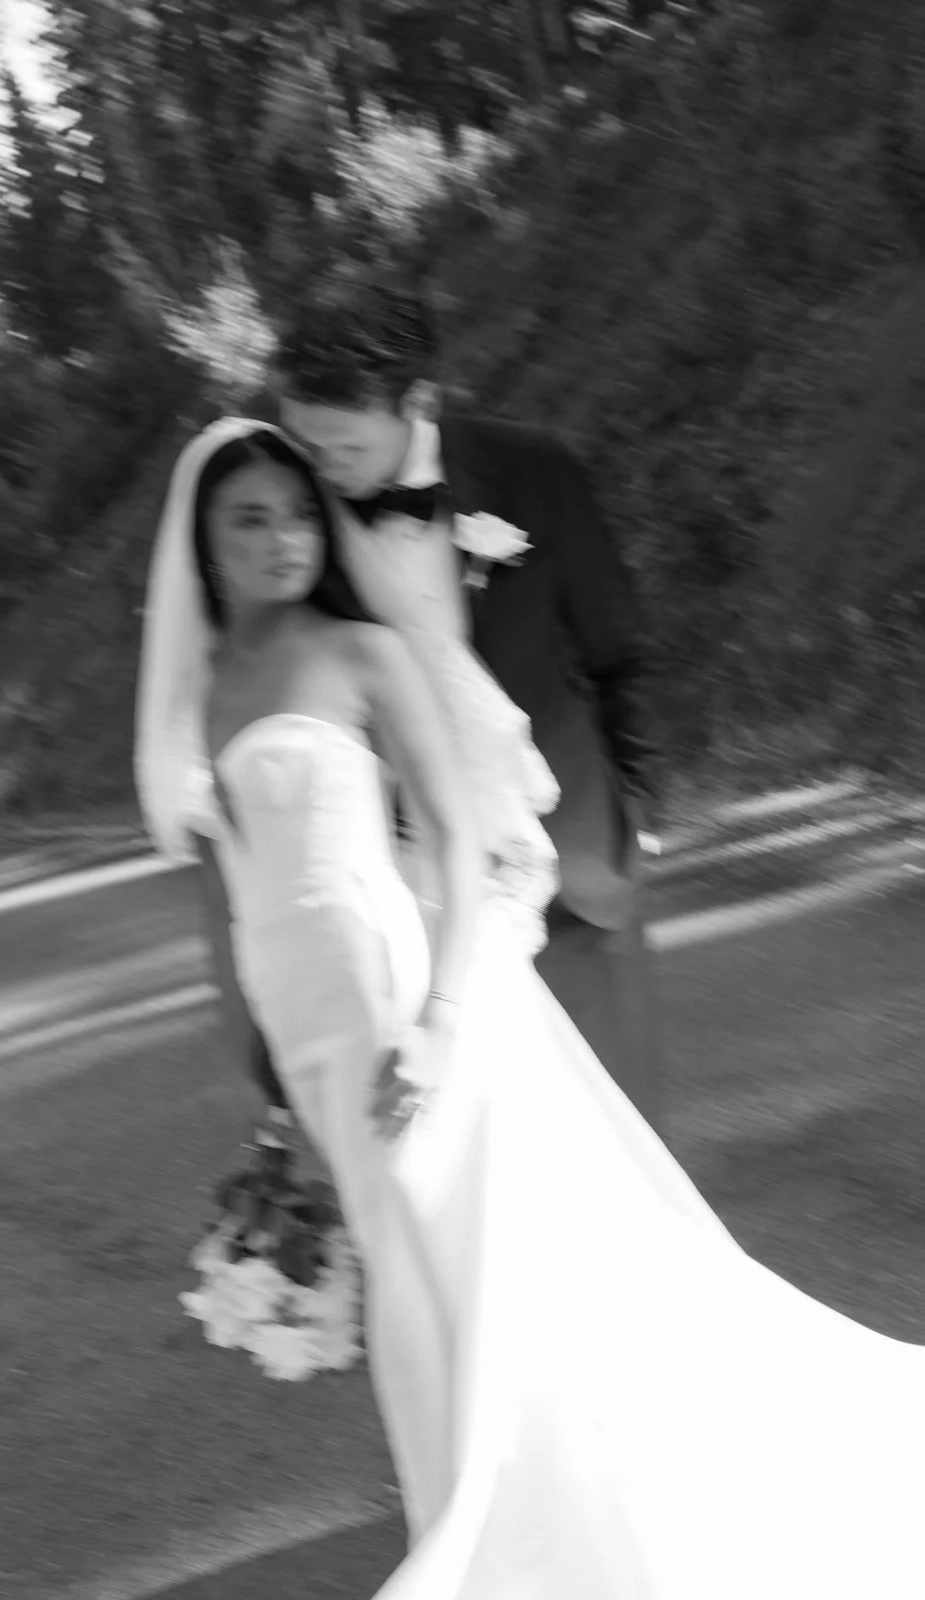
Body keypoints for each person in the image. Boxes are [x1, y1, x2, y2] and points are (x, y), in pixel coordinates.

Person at [135, 418, 925, 1599]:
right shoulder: (196, 697)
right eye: (248, 519)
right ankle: (482, 1506)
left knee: (484, 1266)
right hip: (303, 1023)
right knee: (414, 1271)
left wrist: (442, 1015)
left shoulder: (362, 654)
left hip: (406, 996)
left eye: (297, 513)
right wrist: (264, 1080)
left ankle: (540, 1531)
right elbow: (228, 891)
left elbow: (458, 841)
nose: (282, 538)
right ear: (201, 542)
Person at [272, 276, 663, 1130]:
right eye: (303, 442)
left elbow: (617, 650)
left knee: (618, 1144)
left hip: (572, 873)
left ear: (418, 401)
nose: (319, 469)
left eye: (342, 446)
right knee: (466, 1159)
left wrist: (636, 811)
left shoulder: (533, 470)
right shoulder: (289, 524)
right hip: (410, 900)